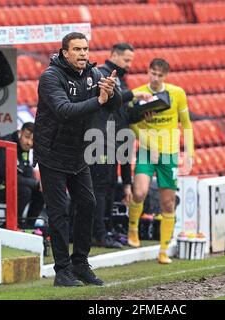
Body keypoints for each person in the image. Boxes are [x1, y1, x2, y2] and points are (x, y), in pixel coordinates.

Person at [33, 32, 120, 287]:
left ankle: (80, 264)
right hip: (52, 154)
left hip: (78, 153)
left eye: (86, 49)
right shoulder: (51, 77)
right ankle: (62, 271)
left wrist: (111, 95)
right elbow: (64, 111)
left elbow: (112, 107)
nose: (83, 54)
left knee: (88, 204)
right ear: (65, 53)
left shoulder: (94, 75)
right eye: (77, 49)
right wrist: (99, 100)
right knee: (59, 212)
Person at [127, 58, 194, 264]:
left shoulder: (177, 94)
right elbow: (131, 123)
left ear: (166, 76)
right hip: (147, 151)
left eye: (159, 75)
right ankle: (133, 229)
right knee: (139, 192)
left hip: (169, 154)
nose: (155, 78)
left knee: (168, 202)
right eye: (152, 73)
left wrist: (189, 154)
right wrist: (145, 139)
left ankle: (163, 250)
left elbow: (186, 124)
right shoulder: (138, 93)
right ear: (148, 71)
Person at [90, 43, 152, 249]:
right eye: (126, 60)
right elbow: (113, 100)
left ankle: (107, 231)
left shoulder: (120, 79)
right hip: (100, 140)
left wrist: (145, 110)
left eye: (131, 60)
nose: (129, 64)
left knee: (108, 188)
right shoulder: (103, 75)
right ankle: (98, 234)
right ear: (113, 55)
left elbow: (122, 113)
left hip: (113, 141)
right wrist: (135, 94)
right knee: (99, 189)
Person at [0, 122, 44, 229]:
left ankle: (28, 227)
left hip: (7, 188)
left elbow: (27, 173)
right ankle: (14, 225)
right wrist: (35, 184)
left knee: (41, 193)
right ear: (19, 132)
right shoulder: (5, 146)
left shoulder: (24, 149)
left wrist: (38, 185)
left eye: (32, 140)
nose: (29, 143)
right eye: (27, 137)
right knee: (24, 191)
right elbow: (9, 177)